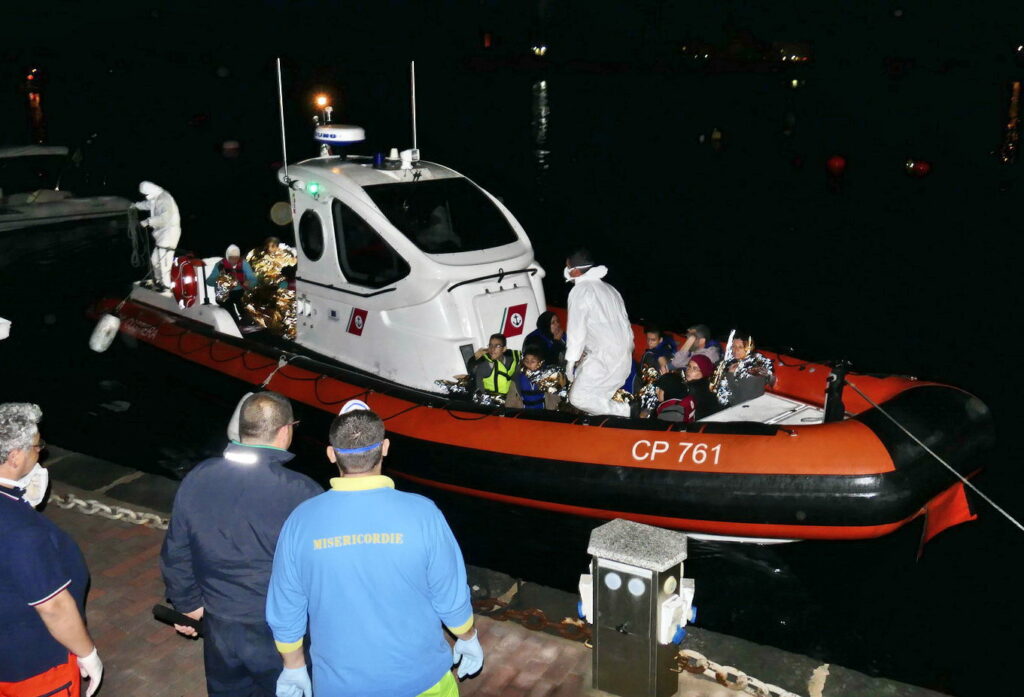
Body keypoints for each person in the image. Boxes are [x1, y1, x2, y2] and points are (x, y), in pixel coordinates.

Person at [267, 406, 482, 697]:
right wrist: (467, 637)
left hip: (341, 687)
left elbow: (285, 608)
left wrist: (293, 666)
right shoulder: (423, 513)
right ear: (385, 448)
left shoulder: (301, 521)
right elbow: (450, 595)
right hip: (423, 680)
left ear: (331, 453)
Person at [160, 392, 322, 697]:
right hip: (278, 633)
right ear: (286, 429)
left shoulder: (198, 477)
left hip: (219, 624)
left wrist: (187, 605)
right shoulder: (302, 492)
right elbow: (321, 571)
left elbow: (176, 551)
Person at [0, 403, 103, 697]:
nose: (40, 452)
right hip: (31, 664)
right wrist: (87, 654)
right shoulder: (21, 533)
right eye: (36, 446)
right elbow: (53, 607)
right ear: (14, 456)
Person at [563, 249, 633, 417]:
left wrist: (570, 361)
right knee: (596, 400)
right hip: (621, 355)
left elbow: (576, 330)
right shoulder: (610, 289)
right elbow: (625, 324)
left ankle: (628, 411)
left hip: (604, 356)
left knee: (579, 398)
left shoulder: (580, 291)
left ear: (576, 271)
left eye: (567, 266)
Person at [133, 180, 181, 290]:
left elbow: (165, 218)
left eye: (146, 194)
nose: (146, 196)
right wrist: (135, 206)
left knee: (164, 260)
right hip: (161, 233)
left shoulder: (164, 199)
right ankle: (159, 281)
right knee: (155, 259)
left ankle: (167, 285)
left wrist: (148, 221)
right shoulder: (156, 197)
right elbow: (148, 205)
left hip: (169, 232)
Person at [716, 333, 776, 407]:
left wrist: (730, 375)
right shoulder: (733, 361)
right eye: (733, 346)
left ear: (749, 348)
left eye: (740, 347)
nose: (735, 350)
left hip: (745, 408)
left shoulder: (754, 369)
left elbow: (742, 399)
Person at [206, 244, 258, 323]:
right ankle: (235, 323)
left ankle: (248, 322)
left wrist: (249, 283)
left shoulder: (243, 264)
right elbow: (209, 281)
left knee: (243, 305)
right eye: (231, 257)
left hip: (239, 291)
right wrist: (221, 281)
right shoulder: (220, 265)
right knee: (229, 309)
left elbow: (253, 279)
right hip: (224, 294)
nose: (234, 260)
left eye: (236, 257)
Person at [681, 355, 723, 422]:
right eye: (689, 366)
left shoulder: (697, 390)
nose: (689, 371)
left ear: (703, 372)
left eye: (694, 369)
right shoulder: (702, 386)